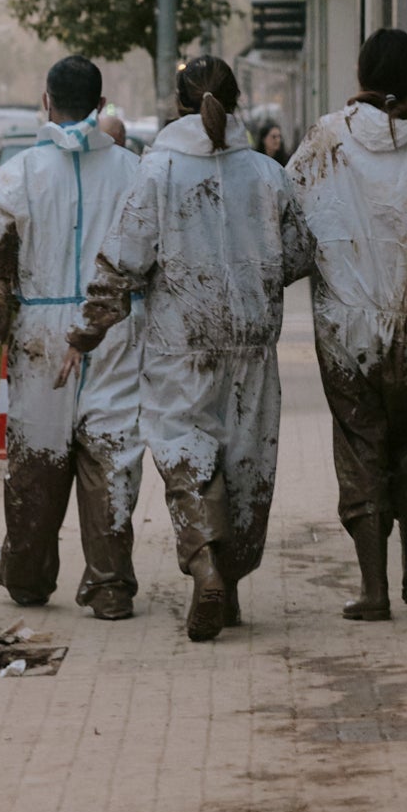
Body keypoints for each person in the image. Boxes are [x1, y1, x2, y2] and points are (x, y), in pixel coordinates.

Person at [70, 55, 314, 641]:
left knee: (188, 462)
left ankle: (205, 566)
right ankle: (225, 588)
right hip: (252, 347)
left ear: (180, 105)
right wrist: (253, 284)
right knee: (245, 467)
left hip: (179, 344)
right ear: (236, 104)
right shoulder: (266, 173)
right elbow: (302, 250)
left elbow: (121, 262)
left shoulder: (156, 173)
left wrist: (87, 332)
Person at [288, 28, 407, 619]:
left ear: (360, 75)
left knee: (360, 444)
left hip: (345, 331)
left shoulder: (324, 139)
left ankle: (373, 590)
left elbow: (291, 223)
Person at [0, 56, 148, 618]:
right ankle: (110, 583)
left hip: (39, 332)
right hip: (114, 328)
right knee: (111, 455)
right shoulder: (134, 173)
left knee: (37, 458)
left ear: (46, 102)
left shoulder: (16, 175)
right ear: (101, 103)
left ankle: (28, 573)